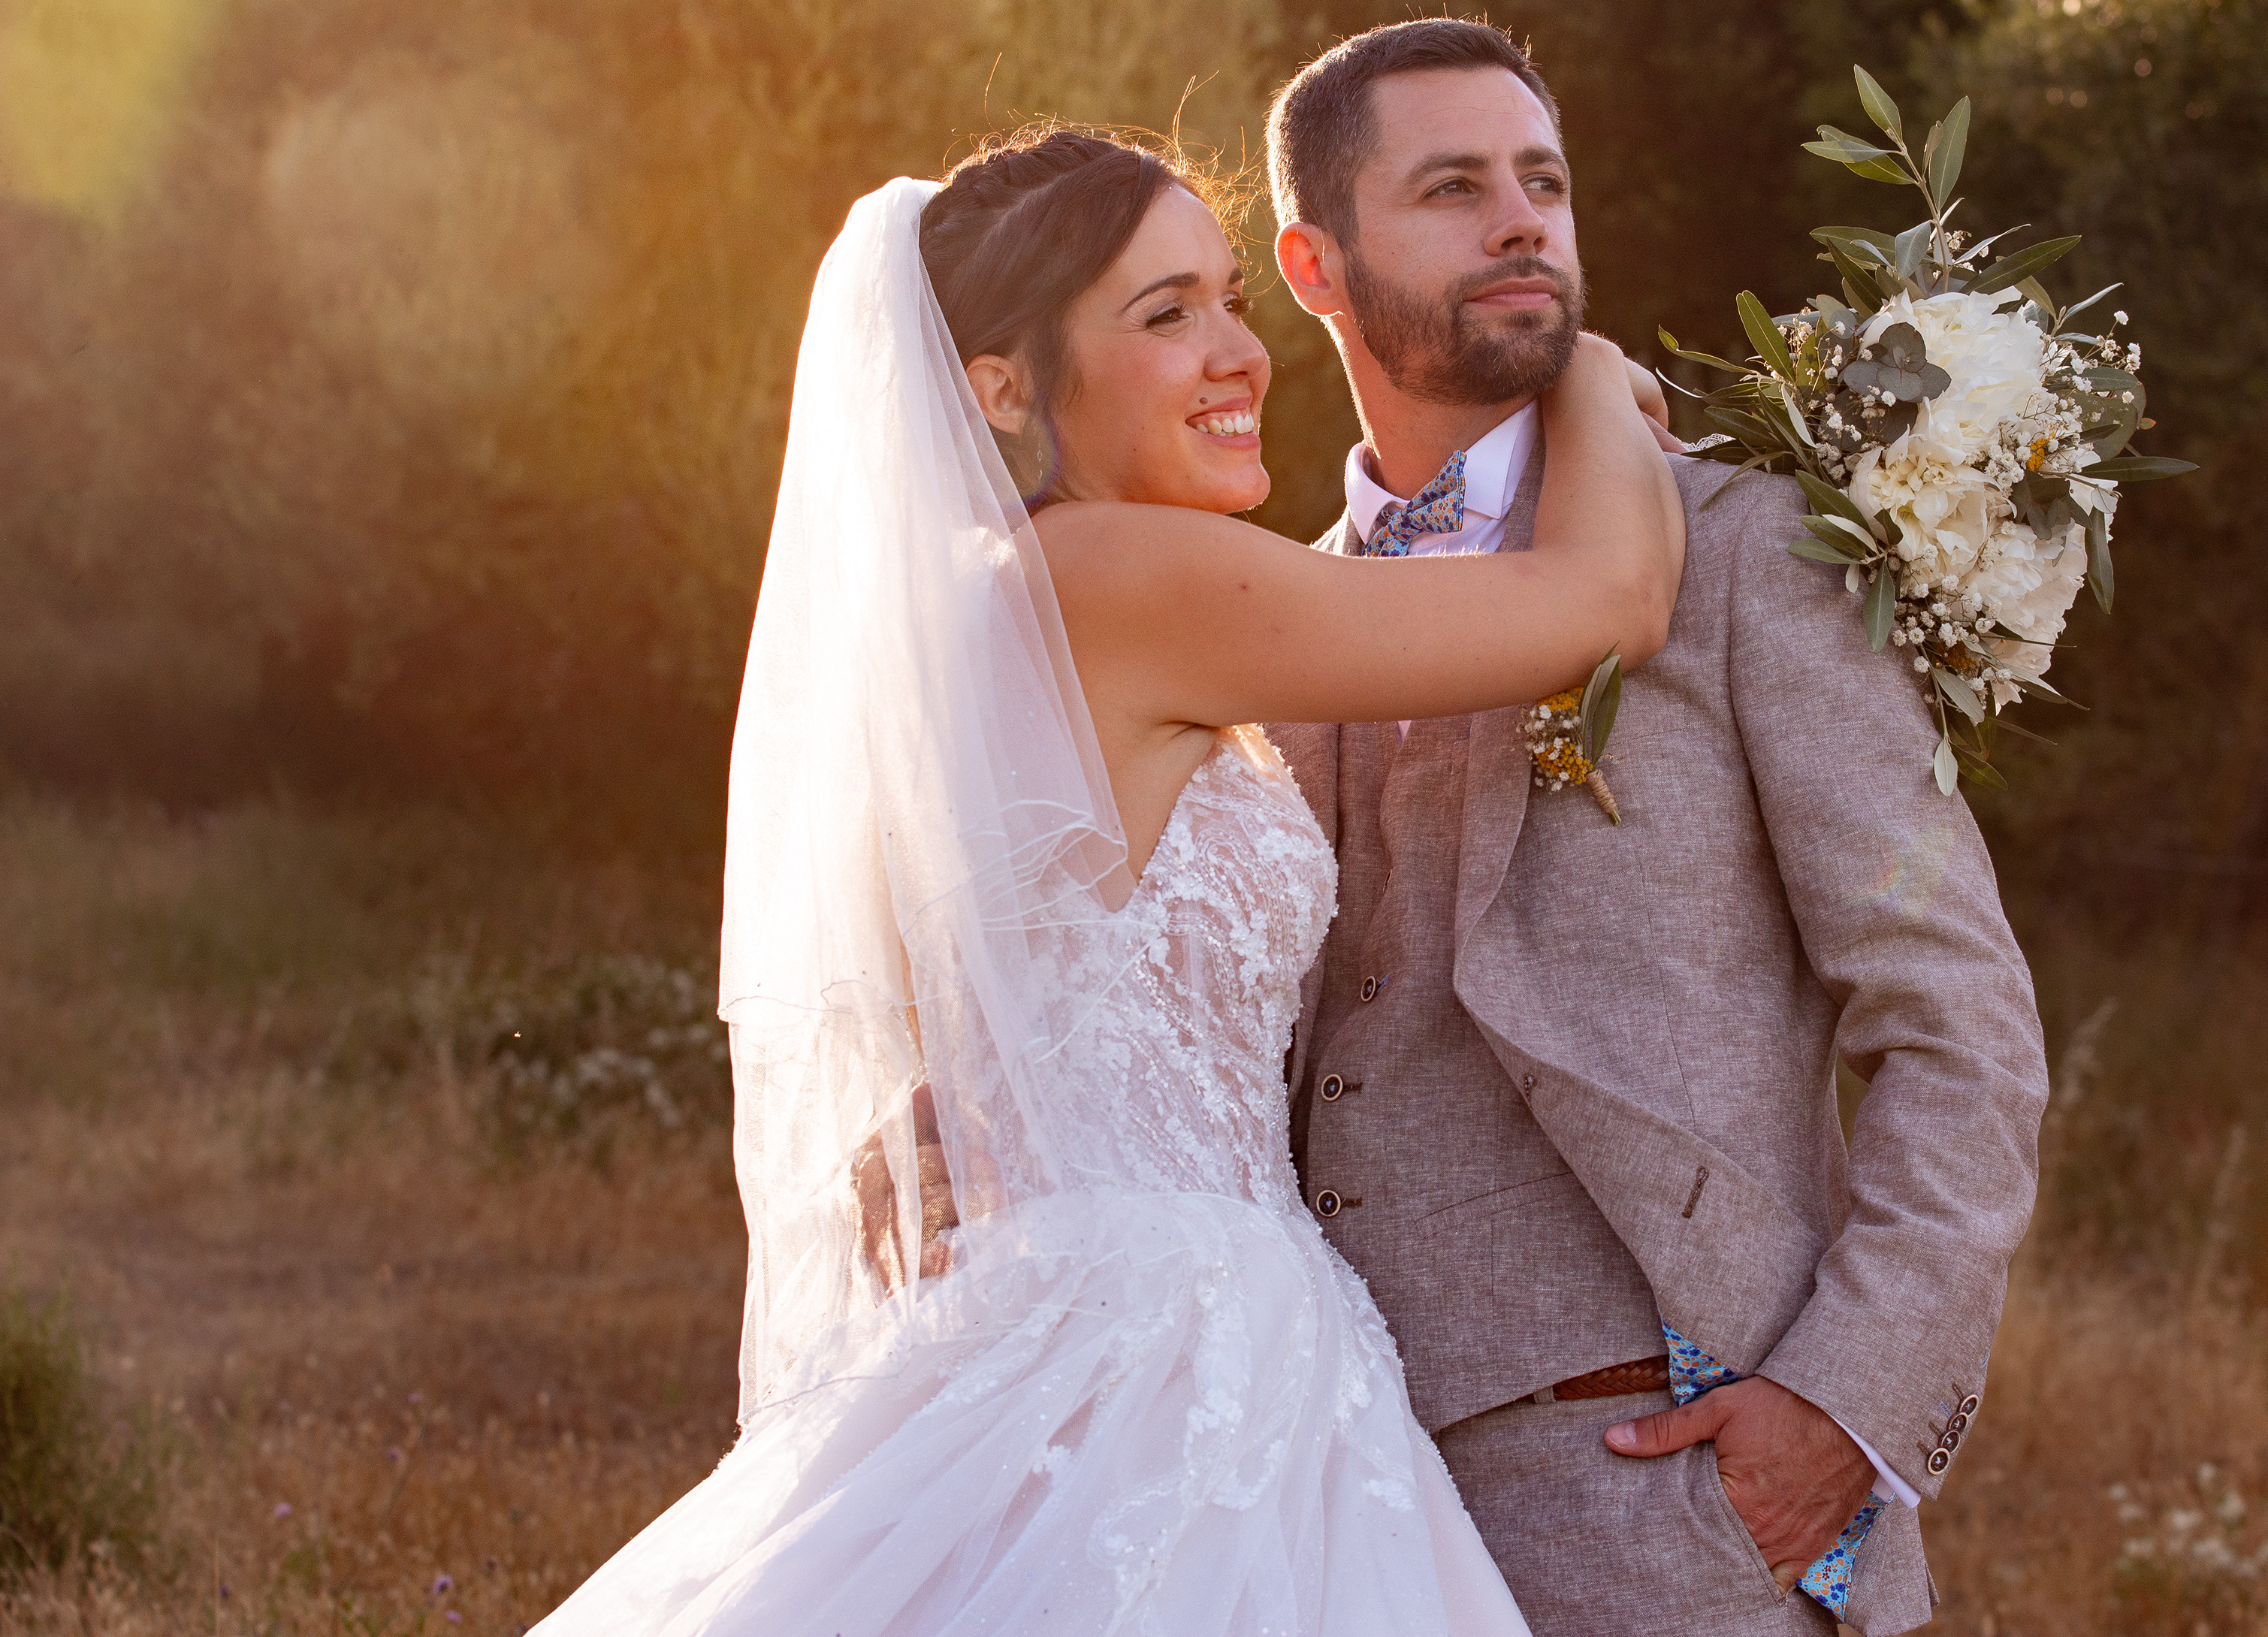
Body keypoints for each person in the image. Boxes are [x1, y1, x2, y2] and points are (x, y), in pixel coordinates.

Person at [528, 128, 1684, 1637]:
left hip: (1094, 1296)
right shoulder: (1122, 576)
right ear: (1004, 389)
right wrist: (1580, 369)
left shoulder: (991, 595)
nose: (1237, 354)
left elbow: (1056, 959)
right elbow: (1609, 600)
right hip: (1173, 1355)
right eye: (1164, 315)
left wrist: (973, 1091)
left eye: (1229, 300)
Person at [1261, 19, 2048, 1637]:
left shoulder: (1749, 550)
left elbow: (1957, 1019)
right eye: (1454, 188)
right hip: (1321, 1505)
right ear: (1314, 265)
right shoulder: (1258, 624)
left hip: (1680, 1494)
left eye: (1544, 182)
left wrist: (1844, 1402)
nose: (1521, 222)